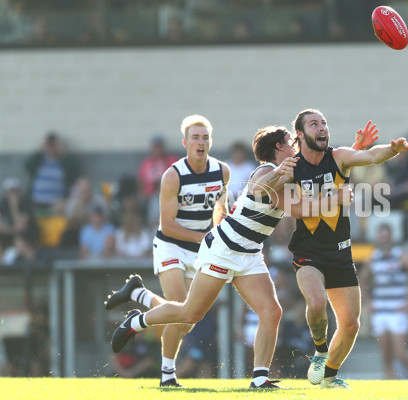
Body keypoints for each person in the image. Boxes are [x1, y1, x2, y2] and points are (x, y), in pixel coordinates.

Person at [109, 124, 374, 389]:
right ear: (279, 147)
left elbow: (325, 167)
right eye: (290, 141)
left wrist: (358, 149)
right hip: (224, 249)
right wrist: (333, 198)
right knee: (190, 313)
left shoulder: (291, 171)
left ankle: (260, 379)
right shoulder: (266, 170)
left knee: (271, 311)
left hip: (249, 252)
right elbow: (264, 191)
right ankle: (137, 321)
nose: (295, 145)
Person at [286, 108, 408, 389]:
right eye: (313, 124)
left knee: (350, 325)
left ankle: (329, 378)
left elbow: (370, 156)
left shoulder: (339, 156)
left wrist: (393, 149)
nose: (322, 128)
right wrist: (333, 198)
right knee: (317, 302)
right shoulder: (292, 167)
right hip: (308, 255)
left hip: (340, 254)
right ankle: (320, 351)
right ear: (300, 134)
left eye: (324, 123)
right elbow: (293, 209)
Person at [106, 115, 229, 387]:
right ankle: (167, 376)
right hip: (171, 245)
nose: (201, 142)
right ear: (186, 143)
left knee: (187, 319)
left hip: (199, 249)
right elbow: (169, 226)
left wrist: (220, 229)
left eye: (205, 137)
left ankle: (138, 294)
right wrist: (206, 237)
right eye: (195, 137)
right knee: (180, 308)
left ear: (210, 141)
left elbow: (219, 208)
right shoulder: (173, 175)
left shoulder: (222, 171)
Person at [359, 223, 408, 379]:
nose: (384, 239)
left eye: (386, 236)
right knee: (386, 357)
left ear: (391, 237)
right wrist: (368, 301)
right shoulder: (374, 258)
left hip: (397, 311)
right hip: (380, 312)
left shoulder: (401, 256)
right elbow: (362, 280)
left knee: (400, 354)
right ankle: (391, 389)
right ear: (377, 238)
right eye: (381, 236)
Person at [24, 132, 79, 216]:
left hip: (56, 205)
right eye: (49, 145)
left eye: (54, 145)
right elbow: (27, 165)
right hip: (37, 202)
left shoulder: (63, 162)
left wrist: (62, 151)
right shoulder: (39, 160)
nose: (51, 148)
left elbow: (73, 168)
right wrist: (42, 148)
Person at [137, 135, 178, 231]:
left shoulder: (171, 160)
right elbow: (140, 181)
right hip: (150, 197)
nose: (157, 150)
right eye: (155, 147)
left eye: (159, 146)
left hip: (169, 196)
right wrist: (142, 194)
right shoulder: (146, 163)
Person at [0, 178, 38, 265]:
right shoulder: (3, 204)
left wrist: (14, 207)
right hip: (10, 234)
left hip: (28, 234)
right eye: (10, 192)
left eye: (14, 192)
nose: (12, 195)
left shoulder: (25, 203)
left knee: (19, 242)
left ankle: (32, 270)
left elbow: (20, 227)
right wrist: (12, 230)